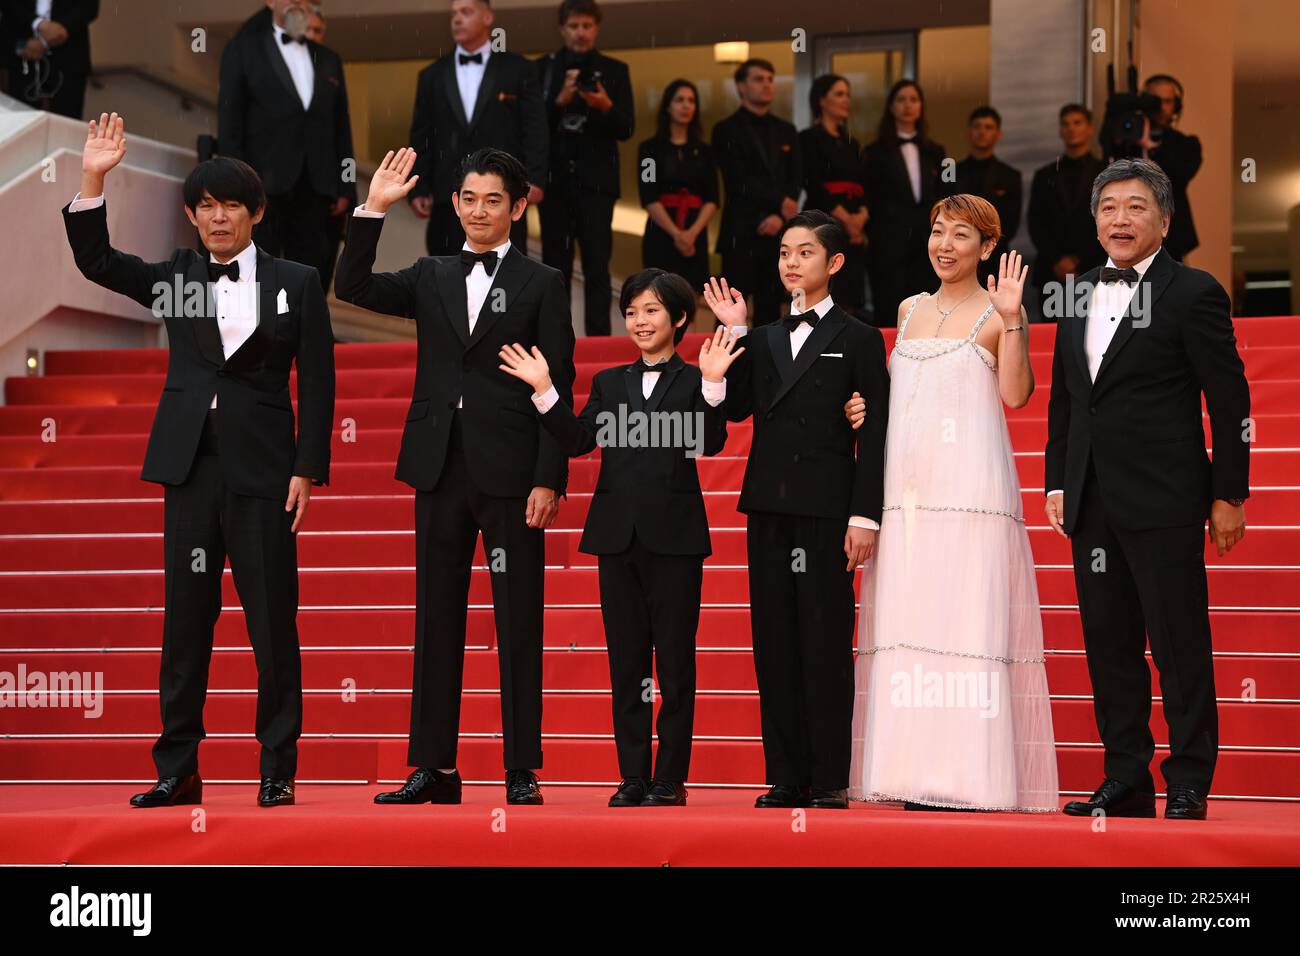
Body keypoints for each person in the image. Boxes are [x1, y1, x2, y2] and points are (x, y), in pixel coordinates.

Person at [63, 113, 336, 809]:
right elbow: (98, 261)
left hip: (266, 472)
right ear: (191, 215)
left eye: (231, 206)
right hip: (189, 469)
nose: (218, 218)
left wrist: (308, 469)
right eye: (206, 207)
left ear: (256, 212)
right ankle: (177, 767)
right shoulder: (177, 278)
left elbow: (322, 381)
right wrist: (94, 175)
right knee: (185, 622)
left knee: (273, 623)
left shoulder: (297, 281)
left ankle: (277, 766)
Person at [335, 146, 576, 807]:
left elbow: (560, 380)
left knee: (517, 620)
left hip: (511, 472)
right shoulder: (433, 273)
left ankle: (521, 767)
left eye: (492, 200)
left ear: (519, 206)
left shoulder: (543, 283)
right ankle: (434, 767)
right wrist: (373, 209)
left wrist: (548, 476)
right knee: (435, 619)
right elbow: (351, 289)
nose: (477, 211)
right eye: (467, 199)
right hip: (440, 468)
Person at [1045, 158, 1250, 821]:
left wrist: (1229, 493)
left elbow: (1230, 400)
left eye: (1135, 207)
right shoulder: (1075, 291)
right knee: (1109, 645)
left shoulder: (1193, 291)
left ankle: (1189, 779)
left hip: (1164, 496)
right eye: (1108, 208)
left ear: (1163, 218)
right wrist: (1057, 481)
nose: (1120, 219)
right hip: (1091, 499)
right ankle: (1126, 777)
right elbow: (1066, 402)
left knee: (1177, 643)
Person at [843, 195, 1059, 812]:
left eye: (960, 235)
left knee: (967, 623)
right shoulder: (908, 309)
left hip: (970, 491)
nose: (944, 244)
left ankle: (970, 778)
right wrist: (862, 410)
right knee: (910, 626)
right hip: (907, 494)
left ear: (986, 248)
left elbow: (1017, 396)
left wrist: (1015, 319)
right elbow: (897, 397)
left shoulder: (997, 312)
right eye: (938, 232)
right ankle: (910, 771)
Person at [498, 271, 741, 807]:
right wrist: (544, 391)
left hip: (676, 539)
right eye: (632, 312)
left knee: (675, 665)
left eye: (652, 311)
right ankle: (633, 774)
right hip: (616, 538)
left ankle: (670, 778)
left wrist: (715, 385)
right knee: (626, 662)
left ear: (678, 319)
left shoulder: (693, 377)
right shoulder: (610, 383)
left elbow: (710, 442)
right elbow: (580, 439)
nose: (639, 322)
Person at [704, 210, 889, 809]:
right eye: (784, 252)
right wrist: (729, 334)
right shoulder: (758, 339)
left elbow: (877, 431)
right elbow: (728, 414)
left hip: (830, 510)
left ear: (834, 264)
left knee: (826, 640)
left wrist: (866, 515)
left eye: (804, 252)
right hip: (769, 508)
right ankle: (785, 774)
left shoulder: (860, 338)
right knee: (774, 640)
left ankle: (830, 775)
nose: (790, 262)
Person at [217, 1, 357, 292]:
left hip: (317, 188)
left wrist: (346, 186)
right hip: (261, 186)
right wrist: (235, 186)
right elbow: (230, 124)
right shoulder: (243, 50)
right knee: (256, 275)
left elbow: (341, 128)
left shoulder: (329, 58)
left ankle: (305, 336)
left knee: (313, 274)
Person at [408, 0, 547, 256]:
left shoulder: (519, 69)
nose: (457, 19)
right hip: (447, 196)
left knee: (507, 275)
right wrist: (419, 186)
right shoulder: (431, 75)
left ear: (487, 17)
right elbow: (422, 135)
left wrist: (536, 178)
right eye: (454, 14)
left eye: (466, 12)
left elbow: (535, 128)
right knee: (445, 278)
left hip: (504, 191)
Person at [535, 0, 634, 336]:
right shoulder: (543, 69)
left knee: (597, 266)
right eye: (574, 26)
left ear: (597, 28)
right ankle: (556, 338)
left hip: (596, 186)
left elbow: (627, 128)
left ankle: (599, 339)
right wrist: (558, 100)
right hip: (554, 184)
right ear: (562, 29)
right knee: (554, 267)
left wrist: (605, 105)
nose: (581, 33)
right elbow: (530, 127)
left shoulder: (616, 70)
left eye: (587, 26)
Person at [712, 58, 802, 328]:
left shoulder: (787, 130)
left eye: (770, 79)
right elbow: (737, 179)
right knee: (730, 310)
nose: (766, 85)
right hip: (742, 231)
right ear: (741, 86)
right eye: (758, 79)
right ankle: (723, 368)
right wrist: (778, 204)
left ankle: (767, 370)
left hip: (777, 235)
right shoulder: (726, 129)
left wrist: (780, 215)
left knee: (771, 309)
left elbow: (795, 176)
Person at [862, 79, 949, 327]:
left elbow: (946, 196)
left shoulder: (936, 151)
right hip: (888, 245)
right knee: (889, 311)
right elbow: (869, 198)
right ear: (891, 107)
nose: (908, 105)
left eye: (913, 99)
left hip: (927, 244)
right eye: (901, 99)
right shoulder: (875, 152)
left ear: (921, 106)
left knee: (928, 311)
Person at [637, 79, 718, 295]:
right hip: (662, 229)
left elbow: (713, 198)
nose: (686, 106)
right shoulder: (650, 150)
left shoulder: (705, 152)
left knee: (690, 295)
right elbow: (648, 196)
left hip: (695, 227)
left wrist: (690, 234)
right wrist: (676, 234)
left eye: (691, 101)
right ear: (667, 106)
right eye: (679, 100)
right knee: (659, 293)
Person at [800, 73, 868, 316]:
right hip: (823, 222)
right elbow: (814, 184)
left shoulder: (852, 143)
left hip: (854, 229)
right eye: (839, 94)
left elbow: (863, 184)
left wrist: (861, 216)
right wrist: (846, 219)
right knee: (822, 288)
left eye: (848, 95)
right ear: (821, 100)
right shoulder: (808, 139)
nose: (846, 100)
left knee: (850, 296)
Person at [1027, 104, 1106, 312]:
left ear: (1090, 128)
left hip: (1093, 267)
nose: (1071, 128)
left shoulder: (1106, 172)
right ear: (1060, 130)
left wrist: (1079, 259)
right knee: (1051, 337)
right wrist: (1057, 260)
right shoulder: (1044, 175)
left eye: (1077, 123)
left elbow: (1108, 220)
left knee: (1093, 336)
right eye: (1066, 124)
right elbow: (1035, 222)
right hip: (1051, 270)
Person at [954, 106, 1021, 286]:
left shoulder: (1010, 176)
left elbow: (1010, 223)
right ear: (969, 132)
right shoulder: (952, 172)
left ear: (998, 134)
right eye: (977, 126)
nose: (982, 132)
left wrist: (983, 245)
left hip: (994, 258)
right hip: (956, 255)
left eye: (988, 127)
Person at [2, 0, 97, 119]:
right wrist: (37, 23)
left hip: (69, 53)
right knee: (21, 120)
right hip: (23, 50)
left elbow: (89, 7)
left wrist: (60, 30)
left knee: (67, 119)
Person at [1141, 74, 1201, 260]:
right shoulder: (1125, 138)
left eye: (1167, 101)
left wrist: (1151, 149)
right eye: (1154, 100)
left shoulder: (1186, 144)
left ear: (1176, 106)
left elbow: (1179, 175)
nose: (1160, 107)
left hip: (1171, 238)